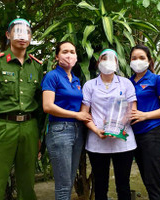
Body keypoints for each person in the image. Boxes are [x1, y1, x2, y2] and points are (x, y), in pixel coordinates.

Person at [0, 18, 44, 200]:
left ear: (31, 37)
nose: (22, 37)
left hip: (29, 128)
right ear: (8, 35)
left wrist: (38, 135)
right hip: (2, 127)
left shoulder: (36, 66)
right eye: (17, 32)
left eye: (27, 33)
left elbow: (39, 104)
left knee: (27, 184)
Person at [81, 49, 137, 200]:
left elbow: (132, 110)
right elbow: (85, 114)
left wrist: (116, 127)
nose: (108, 62)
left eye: (113, 59)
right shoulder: (89, 85)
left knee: (123, 184)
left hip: (123, 141)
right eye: (104, 59)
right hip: (97, 141)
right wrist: (97, 130)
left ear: (118, 64)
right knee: (100, 185)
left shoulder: (126, 84)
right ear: (98, 63)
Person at [41, 41, 91, 200]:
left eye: (72, 52)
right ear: (57, 56)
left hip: (78, 131)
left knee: (69, 181)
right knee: (63, 184)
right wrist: (76, 115)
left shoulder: (76, 80)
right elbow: (47, 106)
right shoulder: (52, 76)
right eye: (64, 52)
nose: (69, 55)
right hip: (59, 131)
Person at [129, 44, 160, 200]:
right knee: (146, 180)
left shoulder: (156, 80)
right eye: (134, 58)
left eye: (142, 57)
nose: (137, 61)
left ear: (149, 61)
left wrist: (145, 115)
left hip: (152, 134)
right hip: (134, 136)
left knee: (154, 182)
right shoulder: (127, 82)